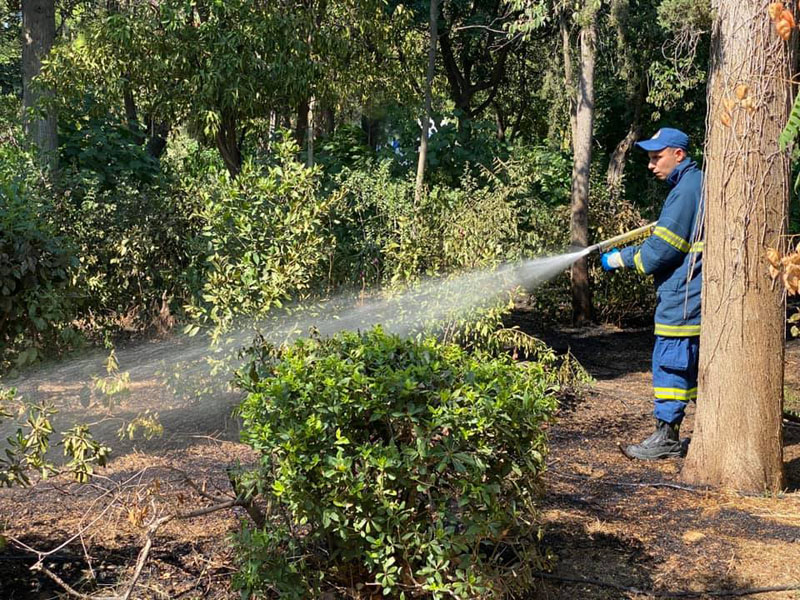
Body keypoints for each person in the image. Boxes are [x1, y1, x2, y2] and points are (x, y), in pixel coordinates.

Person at [601, 127, 704, 460]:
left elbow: (660, 251)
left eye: (656, 157)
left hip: (684, 296)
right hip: (689, 292)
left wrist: (621, 258)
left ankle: (667, 437)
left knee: (672, 364)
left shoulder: (687, 189)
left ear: (679, 154)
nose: (650, 165)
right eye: (648, 158)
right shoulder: (690, 185)